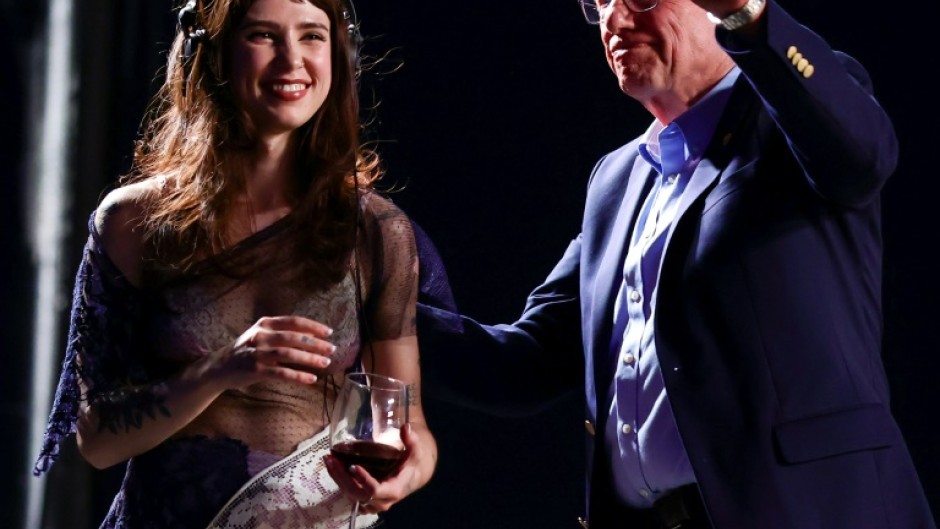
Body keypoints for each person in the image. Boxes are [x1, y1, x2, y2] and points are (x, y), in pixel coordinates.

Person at [416, 0, 937, 528]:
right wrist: (364, 312)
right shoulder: (616, 181)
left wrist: (750, 16)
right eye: (601, 4)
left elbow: (863, 158)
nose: (616, 22)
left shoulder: (794, 118)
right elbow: (525, 364)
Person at [32, 0, 437, 527]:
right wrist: (222, 368)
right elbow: (98, 439)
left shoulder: (376, 231)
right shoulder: (134, 222)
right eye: (264, 36)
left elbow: (407, 426)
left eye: (312, 36)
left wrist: (409, 471)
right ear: (214, 54)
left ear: (341, 54)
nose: (292, 61)